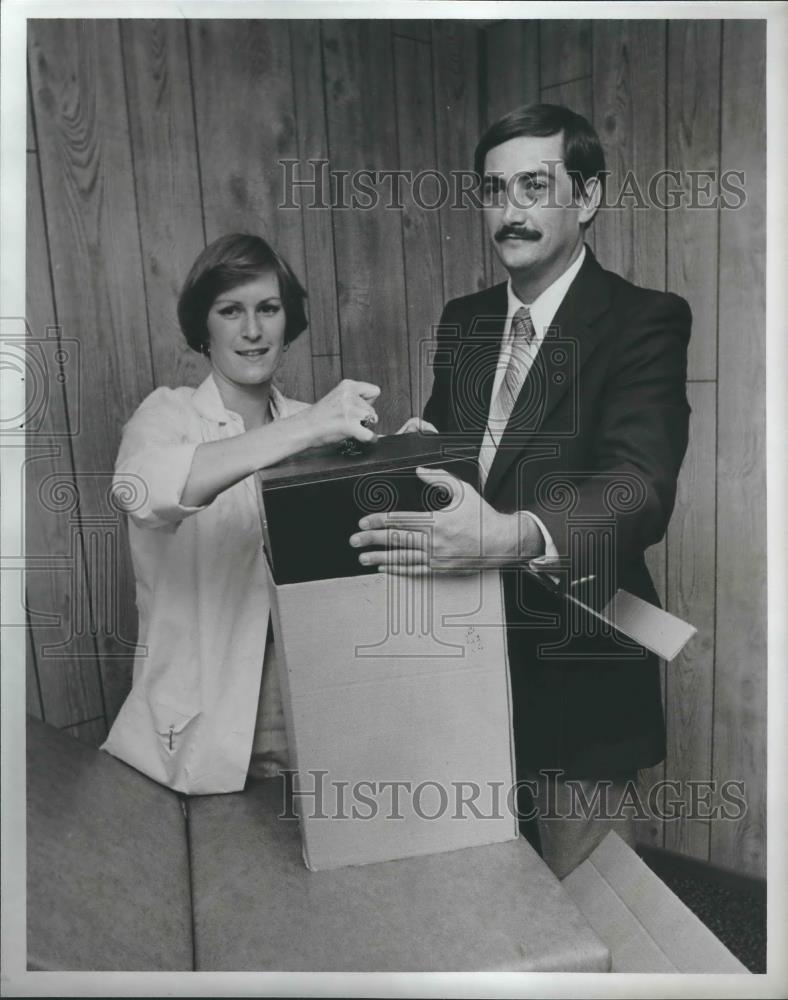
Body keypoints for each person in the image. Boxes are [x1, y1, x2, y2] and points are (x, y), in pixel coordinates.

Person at [350, 104, 692, 877]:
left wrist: (510, 535)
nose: (511, 209)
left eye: (535, 185)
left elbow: (638, 487)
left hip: (584, 654)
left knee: (593, 904)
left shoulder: (644, 321)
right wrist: (410, 456)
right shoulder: (465, 321)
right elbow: (464, 465)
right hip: (464, 661)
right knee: (483, 896)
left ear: (589, 197)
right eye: (495, 189)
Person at [102, 233, 381, 794]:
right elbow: (139, 491)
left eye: (267, 309)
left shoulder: (319, 422)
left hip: (317, 711)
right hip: (199, 731)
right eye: (231, 311)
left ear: (287, 320)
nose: (251, 331)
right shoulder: (168, 415)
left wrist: (405, 460)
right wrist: (304, 430)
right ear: (204, 327)